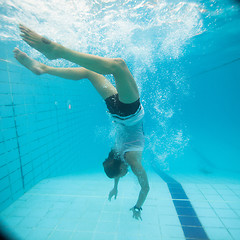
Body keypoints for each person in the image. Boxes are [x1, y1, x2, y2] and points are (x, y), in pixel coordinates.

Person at [13, 24, 150, 220]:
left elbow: (145, 187)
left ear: (120, 167)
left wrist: (137, 207)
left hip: (130, 112)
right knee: (89, 73)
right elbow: (117, 171)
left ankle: (57, 52)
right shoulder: (117, 154)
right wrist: (115, 185)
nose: (126, 173)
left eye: (122, 173)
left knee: (118, 65)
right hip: (116, 112)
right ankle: (43, 68)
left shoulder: (132, 161)